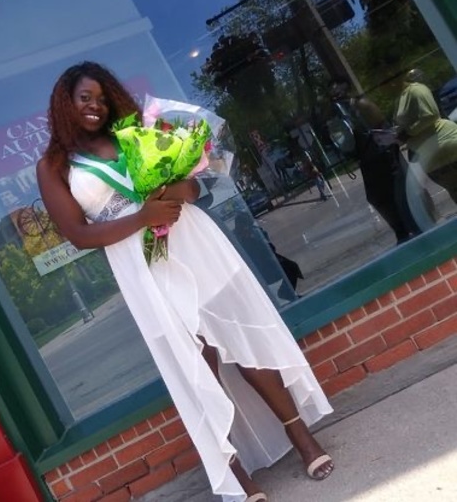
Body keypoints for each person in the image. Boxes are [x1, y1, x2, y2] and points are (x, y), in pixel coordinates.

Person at [37, 62, 334, 502]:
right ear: (66, 103)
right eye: (85, 98)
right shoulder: (55, 165)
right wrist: (142, 217)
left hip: (192, 242)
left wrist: (174, 191)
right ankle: (235, 475)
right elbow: (78, 235)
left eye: (100, 97)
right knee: (199, 367)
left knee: (243, 341)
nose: (94, 106)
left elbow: (194, 189)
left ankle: (302, 438)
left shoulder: (136, 131)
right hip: (143, 266)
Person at [328, 77, 426, 243]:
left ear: (347, 90)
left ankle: (413, 226)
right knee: (377, 197)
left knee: (399, 193)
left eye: (339, 93)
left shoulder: (362, 105)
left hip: (383, 155)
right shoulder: (341, 115)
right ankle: (401, 231)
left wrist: (388, 148)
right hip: (367, 160)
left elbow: (382, 126)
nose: (336, 97)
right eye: (333, 95)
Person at [395, 69, 457, 203]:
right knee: (453, 190)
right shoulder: (403, 97)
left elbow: (430, 115)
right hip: (431, 154)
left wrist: (408, 132)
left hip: (443, 145)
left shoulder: (416, 90)